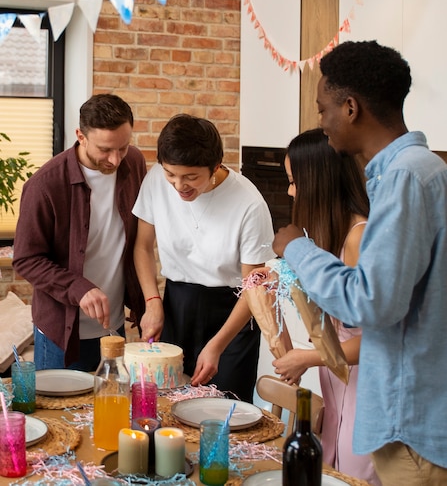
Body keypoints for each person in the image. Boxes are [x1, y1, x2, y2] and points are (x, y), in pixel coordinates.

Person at [273, 40, 447, 486]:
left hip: (412, 426)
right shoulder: (415, 171)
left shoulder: (406, 176)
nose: (321, 122)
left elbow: (370, 303)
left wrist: (297, 247)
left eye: (322, 109)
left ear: (350, 108)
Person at [132, 114, 274, 402]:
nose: (178, 185)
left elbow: (253, 286)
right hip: (177, 305)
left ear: (216, 166)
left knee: (225, 410)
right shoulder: (156, 181)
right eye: (171, 174)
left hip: (233, 312)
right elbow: (143, 247)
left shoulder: (249, 203)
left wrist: (218, 345)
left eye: (191, 177)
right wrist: (152, 301)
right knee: (168, 403)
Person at [271, 128, 380, 485]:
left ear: (318, 180)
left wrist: (308, 357)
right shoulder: (330, 234)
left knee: (354, 475)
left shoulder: (360, 237)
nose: (290, 191)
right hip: (337, 380)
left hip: (365, 386)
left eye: (293, 180)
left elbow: (378, 341)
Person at [13, 94, 147, 372]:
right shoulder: (44, 185)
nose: (115, 159)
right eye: (105, 149)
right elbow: (26, 259)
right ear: (80, 136)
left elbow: (135, 240)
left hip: (113, 328)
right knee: (58, 415)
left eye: (123, 147)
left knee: (112, 411)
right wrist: (78, 288)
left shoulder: (133, 163)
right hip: (59, 334)